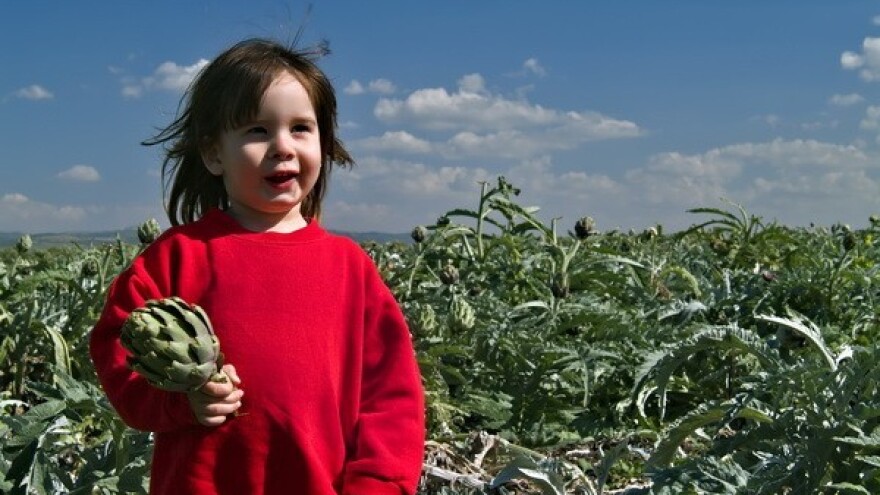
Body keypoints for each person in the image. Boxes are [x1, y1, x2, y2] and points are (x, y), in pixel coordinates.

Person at [89, 37, 425, 495]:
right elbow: (118, 350)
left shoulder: (350, 268)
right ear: (213, 153)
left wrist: (376, 485)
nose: (282, 146)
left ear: (324, 144)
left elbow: (392, 397)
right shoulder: (176, 256)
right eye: (257, 130)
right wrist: (178, 401)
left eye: (301, 128)